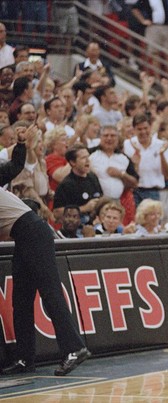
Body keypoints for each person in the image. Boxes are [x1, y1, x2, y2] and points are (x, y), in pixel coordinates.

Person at [0, 125, 91, 376]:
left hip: (33, 232)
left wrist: (20, 145)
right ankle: (24, 358)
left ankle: (74, 348)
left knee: (49, 292)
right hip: (26, 234)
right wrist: (20, 146)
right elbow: (13, 168)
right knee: (21, 299)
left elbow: (11, 169)